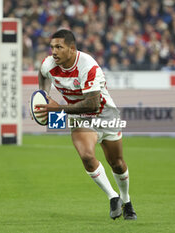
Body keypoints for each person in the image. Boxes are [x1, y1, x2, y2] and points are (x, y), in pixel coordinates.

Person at [34, 29, 137, 220]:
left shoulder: (88, 66)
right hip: (81, 118)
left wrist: (57, 110)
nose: (54, 51)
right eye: (52, 47)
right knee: (87, 156)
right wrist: (43, 96)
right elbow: (42, 74)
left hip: (106, 115)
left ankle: (126, 200)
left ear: (72, 49)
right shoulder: (48, 64)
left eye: (59, 47)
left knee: (117, 163)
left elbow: (93, 103)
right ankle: (113, 197)